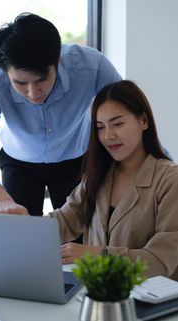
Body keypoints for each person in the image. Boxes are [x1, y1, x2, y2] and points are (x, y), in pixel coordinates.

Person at [0, 12, 121, 218]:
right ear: (5, 71)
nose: (33, 93)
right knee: (21, 236)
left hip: (75, 159)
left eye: (41, 79)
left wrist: (158, 165)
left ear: (57, 60)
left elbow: (127, 115)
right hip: (19, 163)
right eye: (20, 83)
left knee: (79, 236)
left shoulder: (92, 66)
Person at [49, 80, 178, 279]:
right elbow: (64, 221)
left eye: (118, 124)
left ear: (144, 121)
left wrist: (95, 254)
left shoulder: (170, 180)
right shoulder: (98, 175)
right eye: (100, 127)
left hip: (151, 302)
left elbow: (159, 261)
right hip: (99, 293)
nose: (108, 136)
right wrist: (22, 228)